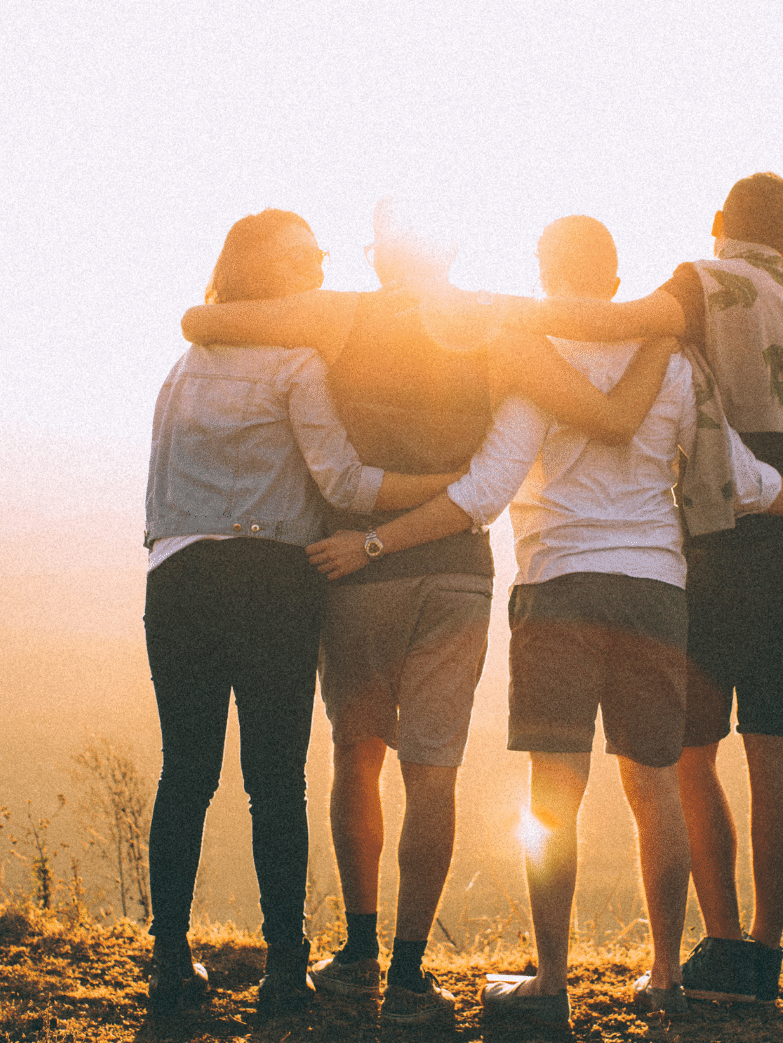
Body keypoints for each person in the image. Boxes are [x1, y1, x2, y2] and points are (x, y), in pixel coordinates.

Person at [309, 215, 783, 1026]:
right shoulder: (674, 364)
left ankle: (552, 982)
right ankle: (668, 976)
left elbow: (485, 492)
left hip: (558, 588)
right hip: (656, 593)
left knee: (553, 798)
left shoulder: (534, 360)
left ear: (544, 272)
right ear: (614, 281)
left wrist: (374, 541)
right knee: (655, 791)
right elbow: (743, 480)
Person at [180, 197, 673, 1024]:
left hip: (355, 567)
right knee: (433, 772)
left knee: (356, 755)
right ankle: (410, 973)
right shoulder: (498, 332)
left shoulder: (337, 319)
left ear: (380, 257)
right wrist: (663, 331)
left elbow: (202, 321)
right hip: (455, 573)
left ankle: (359, 949)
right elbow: (609, 416)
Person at [502, 174, 783, 1003]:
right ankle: (760, 957)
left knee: (685, 755)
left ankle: (719, 944)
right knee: (776, 740)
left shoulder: (703, 282)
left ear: (717, 224)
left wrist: (495, 313)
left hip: (724, 538)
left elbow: (620, 324)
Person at [141, 209, 466, 1018]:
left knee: (185, 773)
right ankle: (286, 969)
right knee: (274, 781)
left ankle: (170, 962)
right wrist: (447, 488)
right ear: (270, 271)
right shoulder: (295, 364)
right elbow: (346, 486)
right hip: (271, 582)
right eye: (307, 257)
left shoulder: (183, 367)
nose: (321, 267)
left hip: (176, 578)